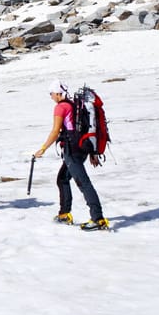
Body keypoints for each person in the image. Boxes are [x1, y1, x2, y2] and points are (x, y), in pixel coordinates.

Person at [32, 79, 109, 231]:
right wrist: (92, 153)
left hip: (71, 151)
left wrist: (43, 148)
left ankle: (98, 219)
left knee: (83, 183)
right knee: (62, 179)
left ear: (58, 93)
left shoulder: (61, 107)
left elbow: (55, 131)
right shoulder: (74, 105)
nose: (51, 96)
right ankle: (64, 214)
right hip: (81, 149)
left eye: (52, 93)